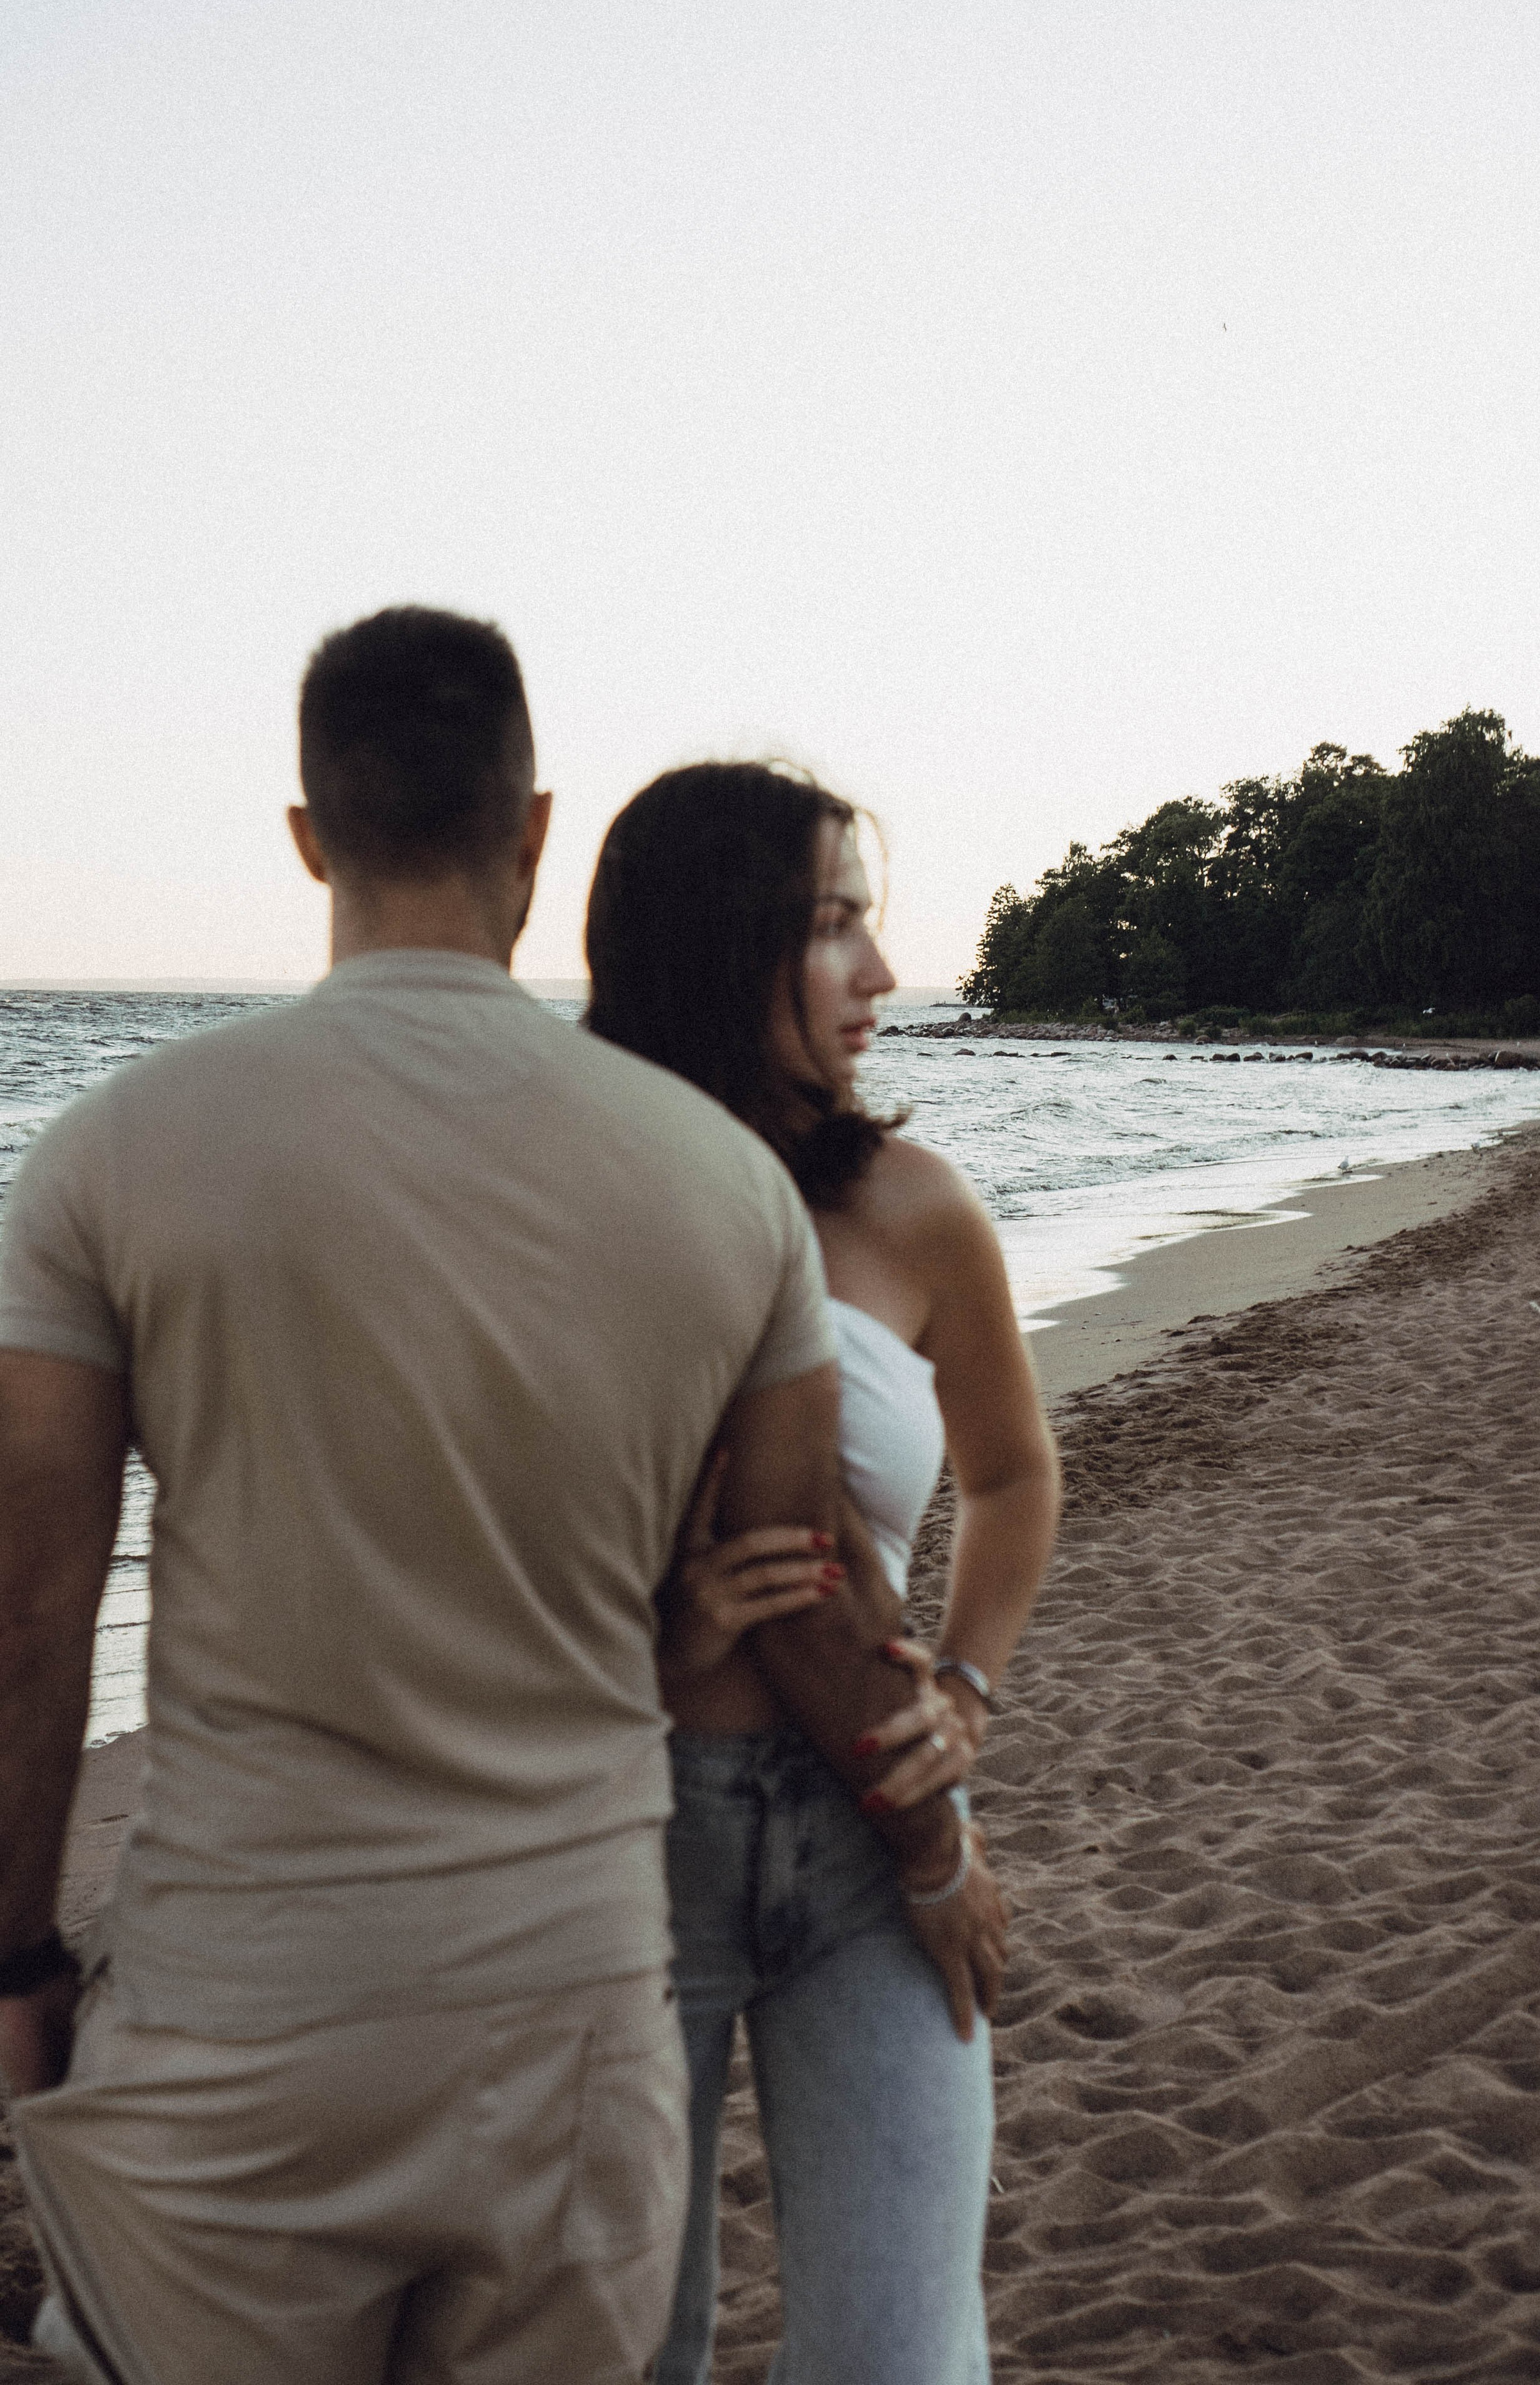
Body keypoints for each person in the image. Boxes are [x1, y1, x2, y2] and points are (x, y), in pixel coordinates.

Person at [0, 610, 953, 2385]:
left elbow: (33, 1614)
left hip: (243, 2008)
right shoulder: (723, 1194)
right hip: (572, 2013)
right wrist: (934, 1829)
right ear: (532, 831)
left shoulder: (113, 1151)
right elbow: (805, 1565)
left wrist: (14, 1963)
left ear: (308, 836)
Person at [585, 762, 1061, 2385]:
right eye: (833, 929)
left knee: (902, 2359)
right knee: (623, 2353)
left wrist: (971, 1687)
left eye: (873, 925)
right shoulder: (570, 1213)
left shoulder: (915, 1211)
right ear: (720, 947)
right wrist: (643, 1646)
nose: (882, 976)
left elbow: (1009, 1475)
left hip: (873, 1840)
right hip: (617, 1841)